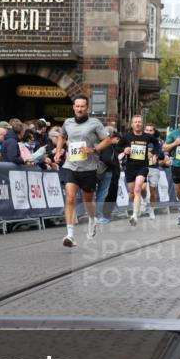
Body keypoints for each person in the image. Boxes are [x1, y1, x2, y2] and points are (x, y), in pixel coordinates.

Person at [53, 95, 112, 247]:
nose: (79, 109)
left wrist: (93, 149)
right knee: (70, 198)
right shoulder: (68, 122)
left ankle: (92, 219)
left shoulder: (95, 123)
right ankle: (70, 235)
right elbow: (62, 136)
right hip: (71, 166)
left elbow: (107, 140)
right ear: (74, 107)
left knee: (88, 201)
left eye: (82, 106)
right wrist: (59, 151)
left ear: (87, 108)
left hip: (89, 168)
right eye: (77, 106)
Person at [120, 115, 156, 226]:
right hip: (130, 167)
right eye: (135, 122)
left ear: (142, 124)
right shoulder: (127, 137)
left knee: (138, 188)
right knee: (132, 193)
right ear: (132, 124)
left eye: (139, 122)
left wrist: (153, 153)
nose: (137, 123)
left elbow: (158, 145)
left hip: (142, 167)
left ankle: (134, 215)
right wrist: (124, 149)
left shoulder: (147, 137)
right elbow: (117, 147)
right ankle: (141, 202)